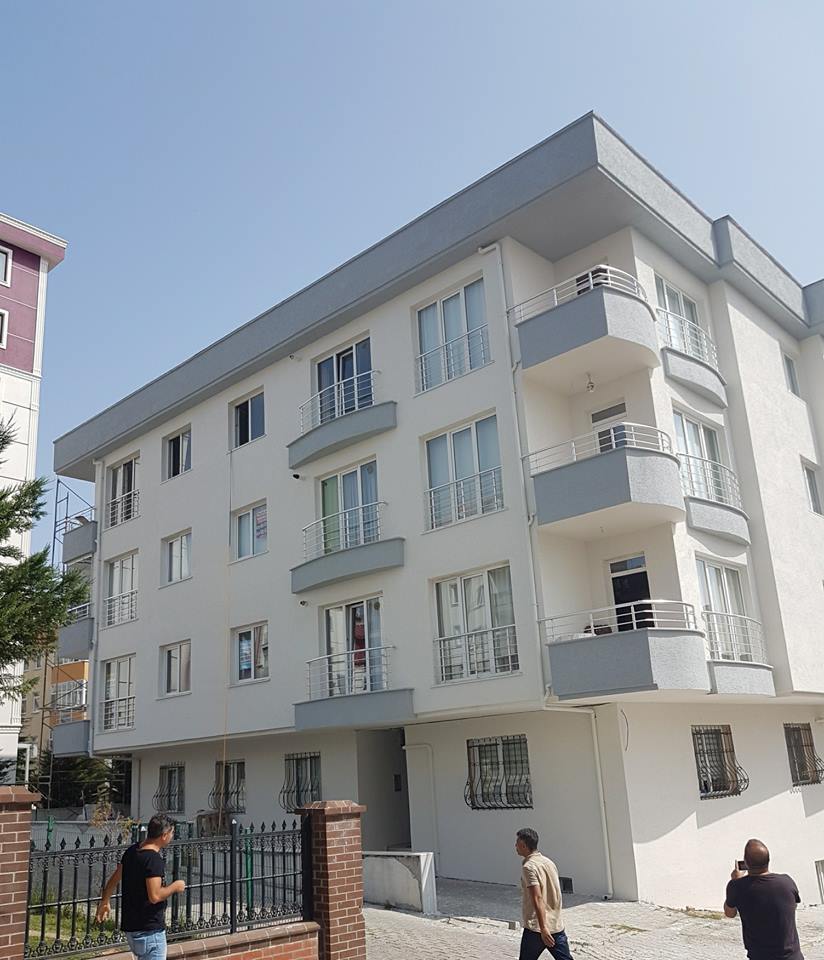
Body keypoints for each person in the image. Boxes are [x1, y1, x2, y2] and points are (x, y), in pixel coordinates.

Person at [96, 814, 186, 960]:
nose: (172, 836)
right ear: (164, 835)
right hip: (150, 931)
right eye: (172, 833)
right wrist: (176, 886)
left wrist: (105, 900)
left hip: (132, 928)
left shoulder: (133, 851)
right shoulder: (153, 859)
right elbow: (155, 896)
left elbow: (114, 878)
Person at [724, 838, 804, 960]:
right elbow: (793, 905)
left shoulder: (737, 886)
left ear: (746, 863)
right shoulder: (786, 881)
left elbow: (729, 913)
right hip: (792, 956)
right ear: (768, 860)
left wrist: (735, 880)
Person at [515, 827, 574, 960]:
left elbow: (537, 897)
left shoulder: (529, 867)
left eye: (517, 843)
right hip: (556, 925)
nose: (515, 846)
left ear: (524, 846)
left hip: (537, 928)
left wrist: (543, 928)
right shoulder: (549, 862)